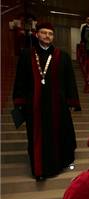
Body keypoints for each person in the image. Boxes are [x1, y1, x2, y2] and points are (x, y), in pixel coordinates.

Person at [13, 22, 80, 181]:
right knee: (36, 138)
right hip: (34, 106)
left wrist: (71, 102)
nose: (47, 36)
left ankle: (56, 167)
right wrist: (20, 102)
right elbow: (20, 79)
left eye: (50, 33)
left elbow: (70, 80)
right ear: (37, 34)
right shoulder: (27, 54)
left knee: (58, 135)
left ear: (53, 37)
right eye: (44, 33)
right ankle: (39, 170)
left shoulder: (61, 55)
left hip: (57, 105)